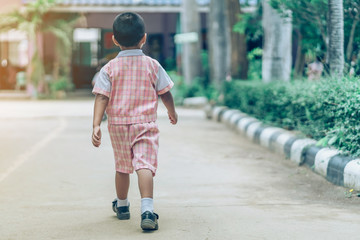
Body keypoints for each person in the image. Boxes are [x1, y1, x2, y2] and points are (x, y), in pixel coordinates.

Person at [91, 12, 178, 231]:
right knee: (144, 165)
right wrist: (172, 111)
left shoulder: (108, 68)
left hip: (118, 124)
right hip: (145, 124)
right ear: (144, 38)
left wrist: (95, 124)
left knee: (122, 166)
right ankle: (147, 211)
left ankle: (122, 206)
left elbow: (102, 96)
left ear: (114, 40)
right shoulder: (152, 65)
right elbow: (165, 92)